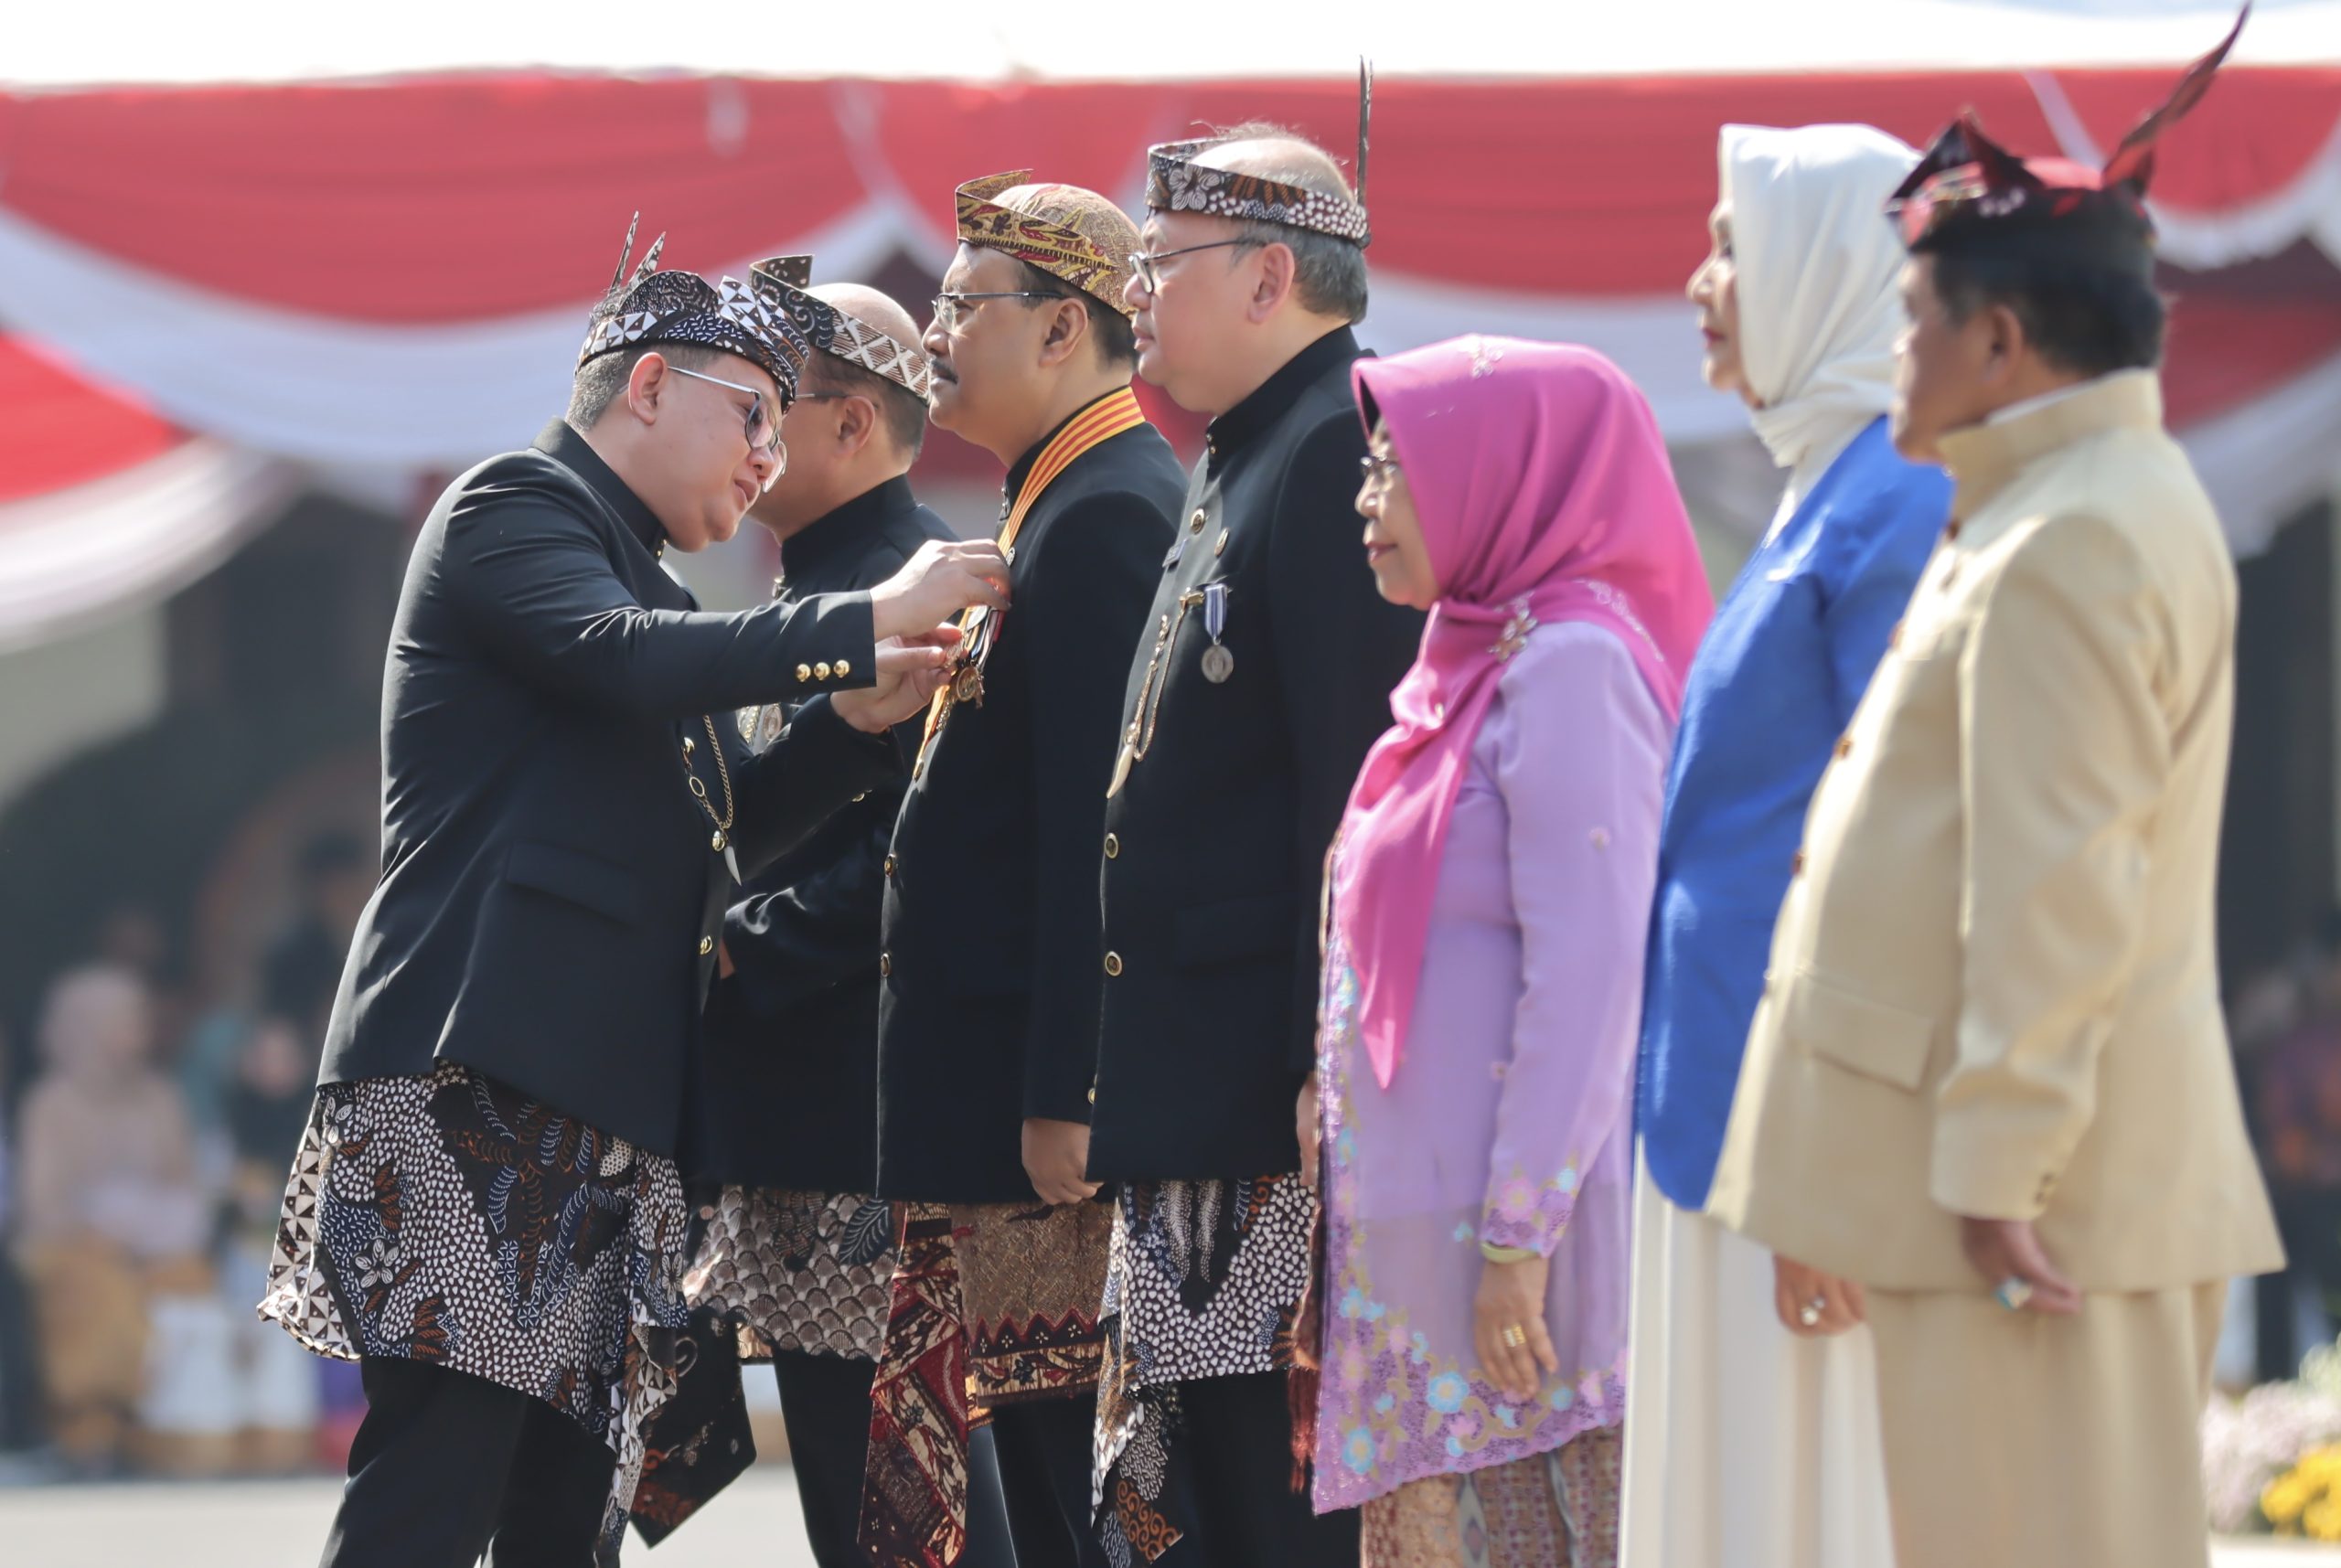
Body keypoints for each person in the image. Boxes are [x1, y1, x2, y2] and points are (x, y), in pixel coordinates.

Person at [254, 223, 1008, 1568]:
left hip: (601, 1117)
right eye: (751, 413)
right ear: (650, 385)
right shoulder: (513, 506)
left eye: (784, 423)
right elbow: (619, 658)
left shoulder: (649, 587)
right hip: (479, 1092)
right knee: (438, 1489)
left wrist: (854, 718)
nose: (767, 455)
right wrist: (858, 621)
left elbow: (730, 821)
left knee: (571, 1516)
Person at [1707, 19, 2284, 1568]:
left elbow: (2061, 884)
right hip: (2040, 1191)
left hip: (2037, 1211)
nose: (1897, 352)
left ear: (2004, 341)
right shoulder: (2065, 502)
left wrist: (1994, 1173)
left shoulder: (2070, 533)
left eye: (1913, 320)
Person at [1311, 338, 1708, 1567]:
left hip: (1521, 1265)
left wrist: (1515, 1243)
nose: (1365, 500)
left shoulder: (1571, 669)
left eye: (1395, 468)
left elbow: (1590, 980)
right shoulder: (1468, 664)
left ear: (1497, 473)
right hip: (1436, 1256)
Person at [1090, 117, 1422, 1566]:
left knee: (1270, 1504)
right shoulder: (1245, 450)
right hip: (1195, 1092)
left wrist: (1322, 1056)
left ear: (1269, 275)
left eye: (1164, 261)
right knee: (1201, 1507)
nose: (1138, 292)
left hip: (1266, 1108)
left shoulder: (1339, 447)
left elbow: (1350, 793)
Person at [1619, 123, 1951, 1568]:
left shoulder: (1899, 497)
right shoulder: (1827, 486)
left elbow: (1904, 849)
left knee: (1805, 1503)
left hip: (1800, 1122)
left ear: (1826, 269)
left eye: (1733, 247)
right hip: (1729, 1107)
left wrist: (1850, 1161)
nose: (1702, 282)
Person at [861, 174, 1183, 1568]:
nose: (936, 335)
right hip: (994, 1092)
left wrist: (1072, 1086)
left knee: (1079, 1497)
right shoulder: (1057, 497)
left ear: (1062, 328)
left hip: (1038, 1119)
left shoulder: (1107, 511)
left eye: (963, 305)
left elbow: (1095, 835)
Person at [14, 965, 209, 1471]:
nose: (138, 1033)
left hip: (155, 1250)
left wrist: (152, 1224)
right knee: (101, 1290)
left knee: (193, 1280)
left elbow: (186, 1187)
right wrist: (103, 1229)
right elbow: (41, 1207)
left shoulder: (161, 1097)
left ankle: (174, 1430)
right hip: (77, 1249)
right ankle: (91, 1427)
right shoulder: (50, 1104)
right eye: (124, 1021)